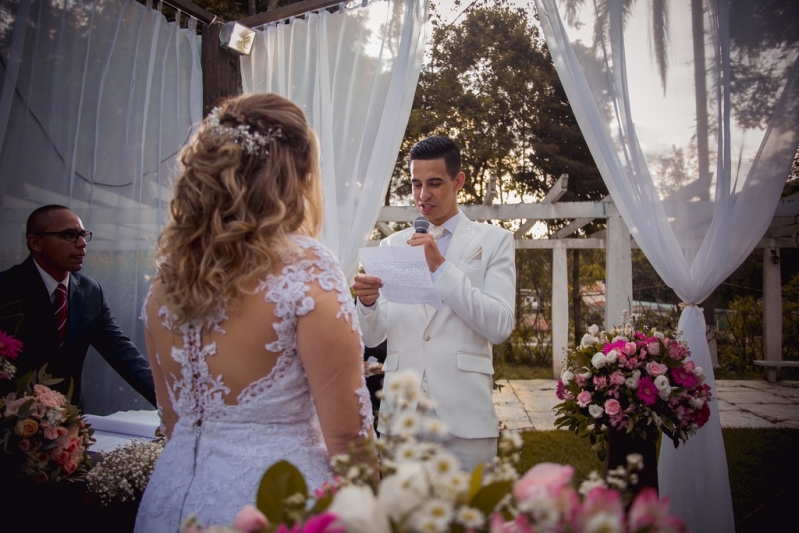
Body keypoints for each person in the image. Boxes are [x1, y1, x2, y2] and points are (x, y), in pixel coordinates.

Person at [135, 93, 373, 531]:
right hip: (274, 503)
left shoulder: (166, 278)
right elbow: (347, 438)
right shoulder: (306, 268)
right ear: (296, 174)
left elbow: (172, 419)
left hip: (172, 500)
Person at [353, 136, 516, 472]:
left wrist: (440, 267)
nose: (422, 195)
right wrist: (367, 305)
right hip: (402, 419)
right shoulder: (391, 245)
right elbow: (373, 338)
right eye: (415, 184)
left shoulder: (495, 241)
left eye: (434, 184)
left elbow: (500, 326)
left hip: (466, 419)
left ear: (458, 181)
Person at [0, 205, 156, 408]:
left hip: (68, 422)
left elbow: (122, 353)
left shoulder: (90, 292)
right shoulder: (6, 289)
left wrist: (174, 402)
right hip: (10, 422)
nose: (82, 244)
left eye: (83, 235)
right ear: (36, 242)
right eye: (69, 235)